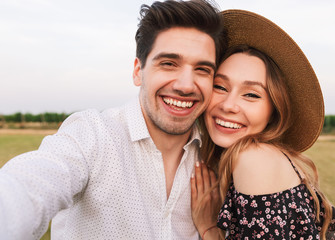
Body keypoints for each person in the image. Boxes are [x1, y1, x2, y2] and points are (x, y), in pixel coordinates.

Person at [0, 0, 226, 239]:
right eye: (168, 64)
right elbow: (27, 187)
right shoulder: (93, 135)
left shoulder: (218, 158)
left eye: (202, 69)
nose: (185, 85)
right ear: (138, 71)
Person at [190, 10, 335, 239]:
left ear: (274, 109)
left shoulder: (253, 159)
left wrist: (208, 230)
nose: (228, 105)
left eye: (252, 95)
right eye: (220, 87)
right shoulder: (267, 155)